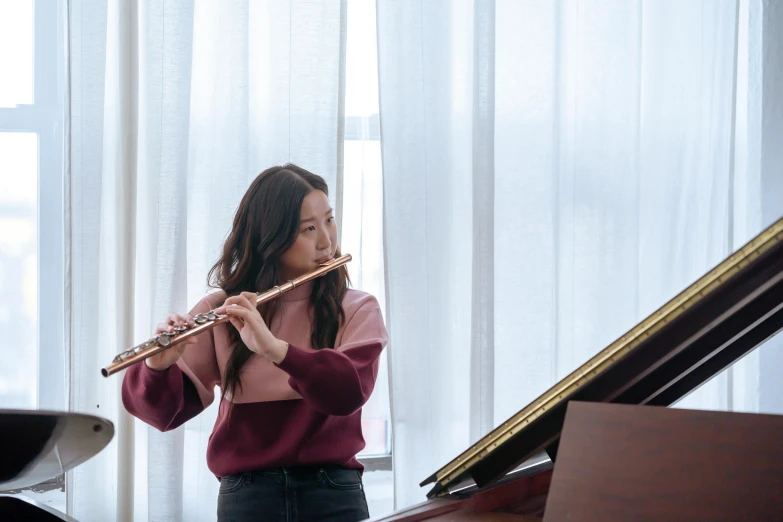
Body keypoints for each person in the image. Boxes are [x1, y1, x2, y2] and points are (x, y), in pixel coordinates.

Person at [122, 164, 389, 522]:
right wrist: (159, 365)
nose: (326, 240)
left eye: (329, 220)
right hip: (247, 496)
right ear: (271, 239)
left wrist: (275, 349)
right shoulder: (225, 310)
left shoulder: (356, 308)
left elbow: (348, 393)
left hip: (332, 493)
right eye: (308, 228)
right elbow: (163, 415)